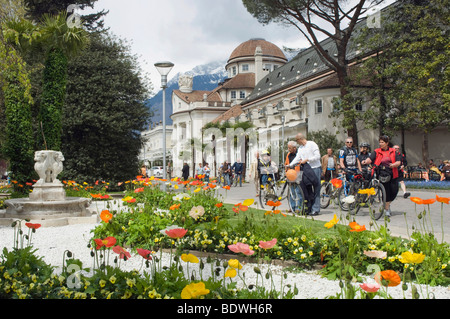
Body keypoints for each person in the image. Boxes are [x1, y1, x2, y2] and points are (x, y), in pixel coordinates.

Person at [362, 135, 402, 217]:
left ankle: (387, 204)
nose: (380, 144)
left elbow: (399, 162)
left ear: (387, 143)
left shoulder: (393, 151)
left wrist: (394, 165)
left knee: (394, 191)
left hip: (392, 172)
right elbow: (370, 159)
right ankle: (387, 209)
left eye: (382, 142)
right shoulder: (377, 151)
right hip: (382, 172)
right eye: (379, 142)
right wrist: (365, 161)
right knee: (386, 191)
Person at [288, 133, 321, 216]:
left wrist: (307, 159)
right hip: (307, 169)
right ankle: (309, 207)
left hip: (315, 168)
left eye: (297, 140)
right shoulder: (300, 148)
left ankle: (316, 208)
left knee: (316, 188)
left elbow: (317, 156)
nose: (297, 142)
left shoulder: (312, 144)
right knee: (307, 188)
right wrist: (290, 165)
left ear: (300, 139)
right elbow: (297, 158)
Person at [285, 141, 303, 213]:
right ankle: (292, 207)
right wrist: (286, 173)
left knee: (298, 192)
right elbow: (286, 163)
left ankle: (298, 208)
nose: (288, 149)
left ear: (294, 148)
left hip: (298, 173)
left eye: (290, 148)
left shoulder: (299, 154)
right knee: (291, 192)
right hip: (290, 174)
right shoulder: (288, 154)